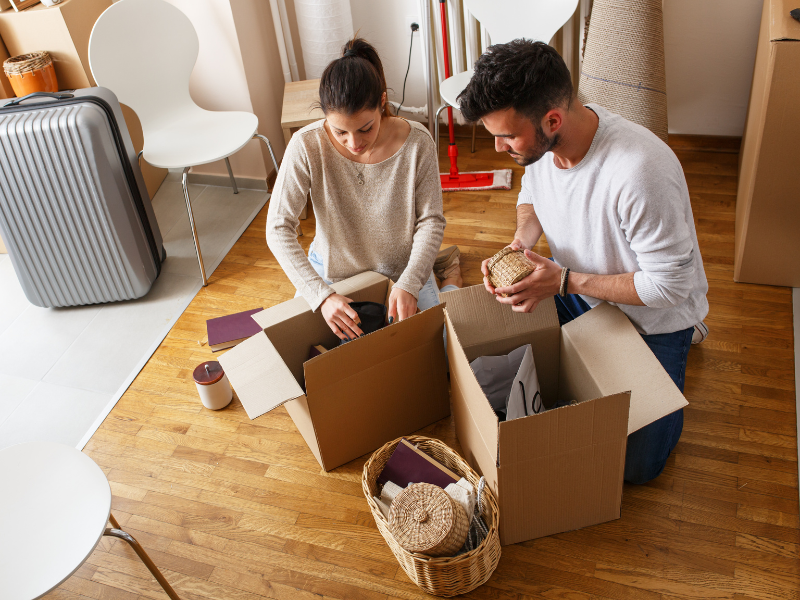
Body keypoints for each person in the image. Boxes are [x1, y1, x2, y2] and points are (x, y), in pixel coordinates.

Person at [458, 40, 710, 485]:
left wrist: (565, 281)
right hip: (576, 290)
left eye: (507, 136)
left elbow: (670, 288)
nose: (499, 148)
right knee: (481, 336)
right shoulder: (538, 146)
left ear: (553, 119)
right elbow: (531, 196)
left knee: (636, 467)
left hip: (651, 319)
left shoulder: (639, 171)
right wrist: (520, 246)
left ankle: (691, 334)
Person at [266, 38, 462, 343]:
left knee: (441, 356)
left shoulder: (418, 142)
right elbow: (278, 228)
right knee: (310, 358)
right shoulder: (306, 145)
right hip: (332, 273)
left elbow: (431, 221)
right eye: (339, 131)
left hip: (402, 272)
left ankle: (451, 278)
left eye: (366, 128)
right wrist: (321, 296)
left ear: (382, 102)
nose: (354, 143)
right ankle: (442, 270)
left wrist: (410, 283)